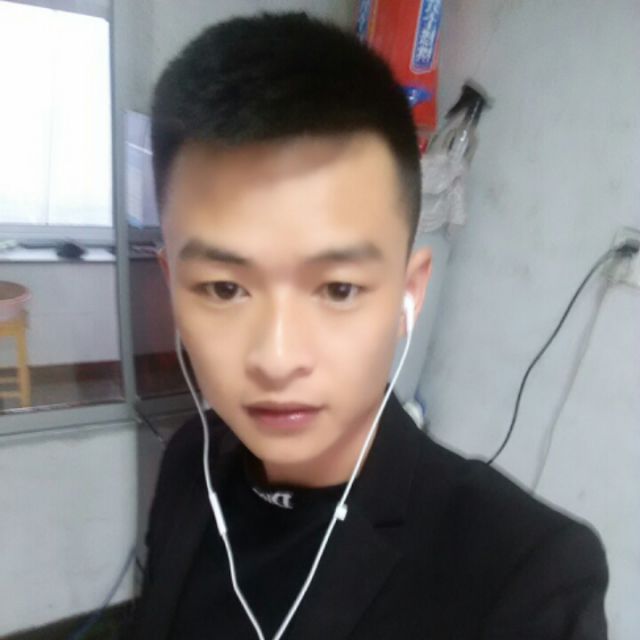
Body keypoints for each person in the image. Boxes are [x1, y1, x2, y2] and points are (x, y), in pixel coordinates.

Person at [131, 12, 608, 640]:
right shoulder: (188, 463)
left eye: (338, 289)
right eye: (225, 288)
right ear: (172, 285)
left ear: (409, 294)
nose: (277, 358)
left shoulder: (523, 578)